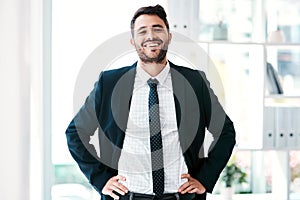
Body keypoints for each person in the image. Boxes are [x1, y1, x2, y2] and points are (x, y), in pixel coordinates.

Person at [66, 4, 236, 200]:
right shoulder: (109, 84)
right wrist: (100, 178)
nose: (151, 36)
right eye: (142, 31)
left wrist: (205, 179)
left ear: (169, 37)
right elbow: (75, 134)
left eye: (157, 29)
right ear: (133, 41)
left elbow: (225, 132)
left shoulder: (194, 82)